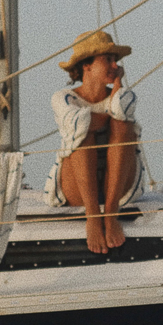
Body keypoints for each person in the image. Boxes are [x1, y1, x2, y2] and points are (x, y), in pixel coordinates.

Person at [47, 28, 145, 253]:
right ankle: (93, 218)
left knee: (122, 125)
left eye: (115, 61)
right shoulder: (64, 97)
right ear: (86, 65)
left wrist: (118, 83)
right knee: (82, 131)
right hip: (78, 189)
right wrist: (108, 113)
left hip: (118, 188)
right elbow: (80, 124)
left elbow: (121, 111)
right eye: (108, 60)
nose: (114, 66)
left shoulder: (121, 97)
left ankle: (110, 216)